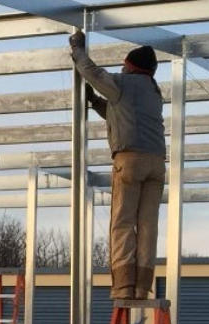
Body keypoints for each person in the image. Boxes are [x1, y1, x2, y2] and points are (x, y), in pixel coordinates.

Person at [69, 31, 166, 300]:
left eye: (124, 65)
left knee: (122, 222)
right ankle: (142, 286)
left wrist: (77, 51)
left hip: (130, 161)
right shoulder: (153, 91)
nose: (121, 68)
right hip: (156, 164)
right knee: (147, 225)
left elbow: (94, 73)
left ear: (131, 66)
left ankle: (123, 285)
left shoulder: (124, 82)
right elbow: (122, 112)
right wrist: (95, 102)